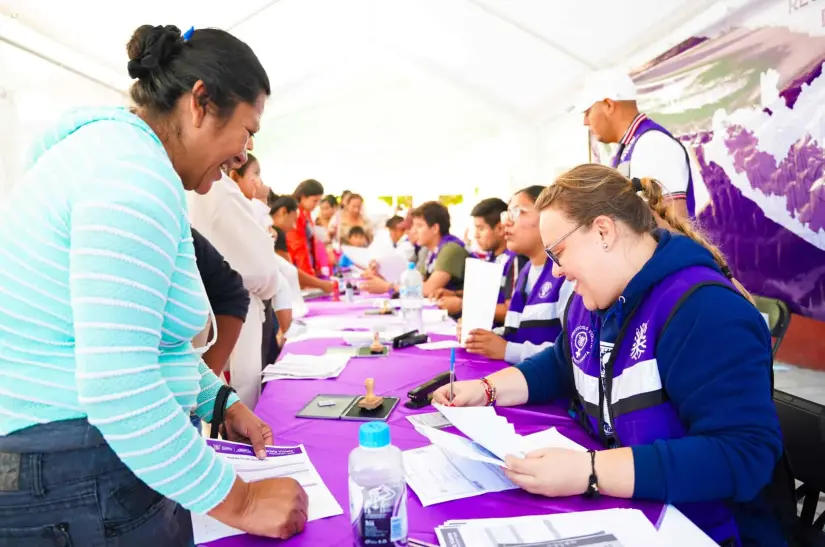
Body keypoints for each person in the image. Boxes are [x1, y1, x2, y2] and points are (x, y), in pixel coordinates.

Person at [0, 24, 308, 545]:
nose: (243, 155)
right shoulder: (130, 179)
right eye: (247, 131)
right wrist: (244, 500)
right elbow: (118, 383)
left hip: (80, 463)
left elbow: (142, 339)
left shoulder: (126, 161)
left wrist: (219, 401)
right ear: (200, 103)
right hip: (75, 473)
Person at [434, 164, 787, 546]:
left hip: (703, 529)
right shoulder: (593, 301)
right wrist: (486, 389)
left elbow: (742, 452)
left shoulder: (705, 310)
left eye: (559, 253)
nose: (557, 273)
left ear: (603, 231)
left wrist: (591, 471)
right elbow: (561, 364)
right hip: (630, 513)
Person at [189, 157, 293, 410]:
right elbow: (263, 270)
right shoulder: (220, 188)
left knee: (212, 393)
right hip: (233, 310)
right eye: (247, 131)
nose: (244, 153)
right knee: (233, 396)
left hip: (221, 307)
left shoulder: (200, 187)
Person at [458, 187, 572, 363]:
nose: (506, 223)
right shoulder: (526, 271)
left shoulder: (567, 272)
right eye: (506, 215)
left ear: (548, 215)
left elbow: (573, 353)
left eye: (517, 212)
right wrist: (479, 338)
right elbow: (515, 331)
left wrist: (507, 350)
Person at [576, 68, 695, 219]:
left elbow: (673, 223)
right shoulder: (628, 148)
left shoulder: (652, 144)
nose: (585, 122)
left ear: (608, 105)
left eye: (588, 112)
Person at [436, 197, 527, 323]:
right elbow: (486, 296)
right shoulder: (492, 257)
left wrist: (463, 305)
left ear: (500, 229)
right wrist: (455, 294)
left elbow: (511, 312)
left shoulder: (515, 259)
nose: (476, 234)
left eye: (481, 228)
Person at [270, 195, 335, 293]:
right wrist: (321, 284)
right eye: (293, 220)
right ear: (283, 212)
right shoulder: (276, 234)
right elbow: (288, 271)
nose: (293, 227)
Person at [411, 201, 470, 297]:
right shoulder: (428, 250)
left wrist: (391, 287)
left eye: (419, 226)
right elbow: (417, 281)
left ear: (435, 228)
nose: (413, 231)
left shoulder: (451, 249)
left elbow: (428, 290)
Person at [286, 178, 326, 276]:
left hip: (307, 266)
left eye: (319, 201)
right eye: (314, 201)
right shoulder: (295, 215)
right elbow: (298, 248)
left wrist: (316, 268)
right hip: (298, 267)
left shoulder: (306, 213)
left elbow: (311, 244)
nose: (316, 205)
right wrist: (308, 276)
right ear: (303, 197)